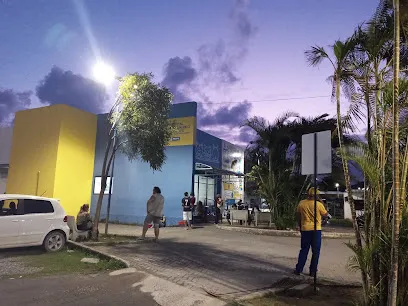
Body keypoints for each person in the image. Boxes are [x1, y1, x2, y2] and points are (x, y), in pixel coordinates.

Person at [294, 187, 329, 277]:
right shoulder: (318, 204)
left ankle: (298, 269)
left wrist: (300, 226)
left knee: (304, 250)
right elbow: (325, 214)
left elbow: (298, 216)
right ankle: (312, 271)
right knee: (315, 252)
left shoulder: (301, 203)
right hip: (316, 230)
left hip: (305, 229)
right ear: (316, 195)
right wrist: (321, 202)